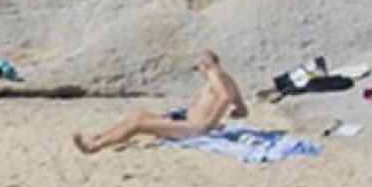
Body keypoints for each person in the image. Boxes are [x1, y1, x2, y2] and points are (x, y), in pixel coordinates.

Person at [73, 51, 248, 154]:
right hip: (185, 119)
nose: (199, 70)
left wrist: (211, 122)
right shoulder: (228, 78)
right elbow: (242, 109)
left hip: (193, 128)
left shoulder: (214, 75)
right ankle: (101, 136)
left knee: (137, 124)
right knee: (138, 114)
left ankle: (94, 147)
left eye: (199, 67)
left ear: (205, 64)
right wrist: (233, 112)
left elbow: (225, 97)